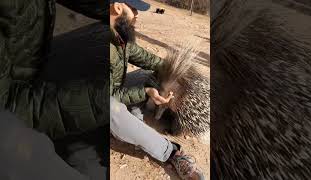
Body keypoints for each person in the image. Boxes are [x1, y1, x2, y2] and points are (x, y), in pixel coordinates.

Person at [0, 0, 108, 179]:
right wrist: (98, 100)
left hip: (27, 73)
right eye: (133, 9)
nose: (136, 15)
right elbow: (7, 115)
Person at [109, 0, 205, 179]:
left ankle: (131, 123)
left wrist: (176, 72)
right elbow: (109, 96)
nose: (137, 15)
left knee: (146, 74)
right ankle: (171, 153)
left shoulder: (120, 36)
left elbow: (148, 60)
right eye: (134, 9)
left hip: (114, 87)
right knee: (112, 108)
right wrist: (145, 92)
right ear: (118, 7)